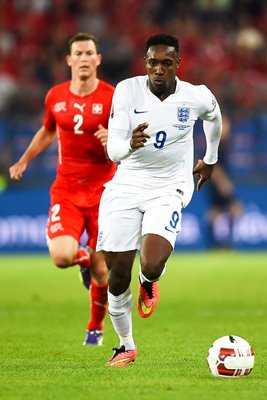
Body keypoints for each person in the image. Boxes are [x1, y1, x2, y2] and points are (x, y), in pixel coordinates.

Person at [96, 33, 222, 366]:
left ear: (178, 64)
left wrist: (210, 157)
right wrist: (130, 145)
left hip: (168, 188)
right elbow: (113, 151)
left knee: (151, 263)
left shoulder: (195, 96)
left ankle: (149, 282)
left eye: (167, 63)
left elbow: (214, 115)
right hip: (126, 186)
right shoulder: (127, 90)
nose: (159, 69)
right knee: (117, 274)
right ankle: (126, 345)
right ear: (145, 63)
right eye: (153, 62)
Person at [9, 32, 117, 346]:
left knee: (103, 273)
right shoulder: (55, 96)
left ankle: (94, 328)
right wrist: (24, 160)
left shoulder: (113, 97)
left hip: (104, 192)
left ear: (98, 59)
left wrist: (114, 140)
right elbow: (47, 130)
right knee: (60, 257)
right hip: (67, 190)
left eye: (89, 53)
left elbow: (129, 139)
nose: (84, 58)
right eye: (78, 53)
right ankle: (82, 258)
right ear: (69, 60)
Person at [206, 115, 243, 248]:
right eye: (224, 126)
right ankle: (219, 244)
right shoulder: (216, 143)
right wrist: (222, 181)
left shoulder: (225, 143)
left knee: (222, 211)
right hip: (217, 184)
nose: (226, 129)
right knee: (230, 210)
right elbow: (212, 164)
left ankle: (220, 243)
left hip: (219, 182)